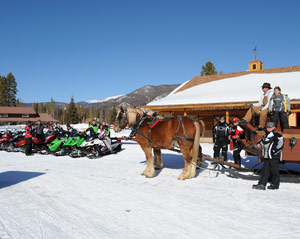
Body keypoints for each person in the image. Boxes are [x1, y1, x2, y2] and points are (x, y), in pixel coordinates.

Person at [252, 121, 284, 190]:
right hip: (267, 156)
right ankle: (262, 184)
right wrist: (259, 143)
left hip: (274, 157)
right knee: (265, 171)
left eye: (270, 127)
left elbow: (280, 145)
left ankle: (275, 185)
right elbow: (262, 141)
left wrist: (274, 151)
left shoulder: (277, 135)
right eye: (267, 127)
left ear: (273, 128)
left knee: (274, 171)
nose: (268, 128)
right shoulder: (266, 135)